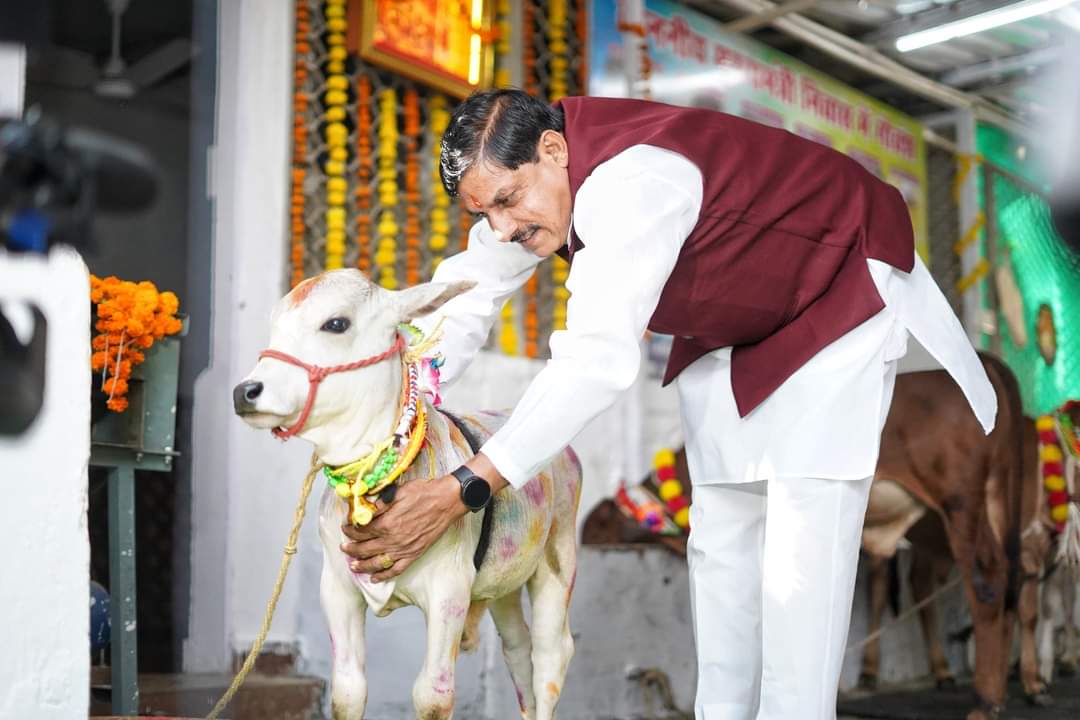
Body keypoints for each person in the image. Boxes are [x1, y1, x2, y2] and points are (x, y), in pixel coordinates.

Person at [339, 89, 996, 719]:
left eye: (509, 201)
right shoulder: (530, 198)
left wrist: (466, 487)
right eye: (486, 215)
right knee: (720, 535)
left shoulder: (633, 185)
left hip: (841, 279)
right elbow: (464, 296)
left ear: (553, 150)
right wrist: (395, 406)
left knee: (803, 536)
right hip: (741, 320)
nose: (503, 229)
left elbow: (596, 361)